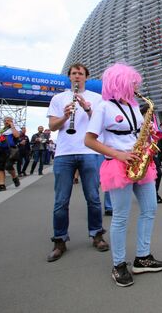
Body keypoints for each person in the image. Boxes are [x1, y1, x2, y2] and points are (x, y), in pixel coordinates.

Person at [85, 63, 162, 287]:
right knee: (121, 217)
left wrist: (151, 135)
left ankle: (142, 257)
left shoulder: (134, 107)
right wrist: (117, 154)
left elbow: (139, 135)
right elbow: (89, 140)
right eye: (132, 83)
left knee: (150, 209)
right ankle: (119, 264)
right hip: (118, 165)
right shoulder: (103, 107)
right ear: (119, 82)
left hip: (141, 162)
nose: (135, 86)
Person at [46, 63, 109, 262]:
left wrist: (88, 109)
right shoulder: (58, 98)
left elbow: (100, 125)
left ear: (86, 77)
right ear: (69, 77)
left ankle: (97, 235)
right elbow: (53, 126)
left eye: (80, 74)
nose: (77, 76)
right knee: (61, 201)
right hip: (64, 154)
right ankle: (60, 240)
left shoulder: (96, 98)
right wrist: (66, 115)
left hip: (89, 151)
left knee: (93, 197)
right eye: (74, 73)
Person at [0, 116, 21, 192]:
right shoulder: (1, 131)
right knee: (0, 167)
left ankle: (14, 177)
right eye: (5, 121)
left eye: (8, 120)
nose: (6, 122)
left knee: (8, 166)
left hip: (10, 150)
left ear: (12, 121)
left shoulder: (15, 128)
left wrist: (12, 125)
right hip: (0, 150)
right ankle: (2, 185)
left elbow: (17, 135)